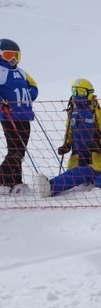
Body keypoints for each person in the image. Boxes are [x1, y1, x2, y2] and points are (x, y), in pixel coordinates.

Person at [35, 80, 101, 196]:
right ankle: (53, 185)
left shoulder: (99, 114)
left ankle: (51, 187)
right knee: (75, 173)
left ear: (89, 93)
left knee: (78, 174)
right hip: (78, 156)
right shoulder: (73, 114)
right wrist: (67, 145)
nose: (77, 95)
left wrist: (100, 145)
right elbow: (69, 133)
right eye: (74, 91)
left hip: (96, 159)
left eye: (80, 92)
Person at [0, 39, 38, 193]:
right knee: (16, 150)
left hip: (24, 115)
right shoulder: (1, 71)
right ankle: (3, 179)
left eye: (16, 55)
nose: (13, 59)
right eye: (9, 55)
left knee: (19, 151)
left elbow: (33, 85)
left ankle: (15, 182)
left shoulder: (21, 72)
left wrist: (29, 95)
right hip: (9, 116)